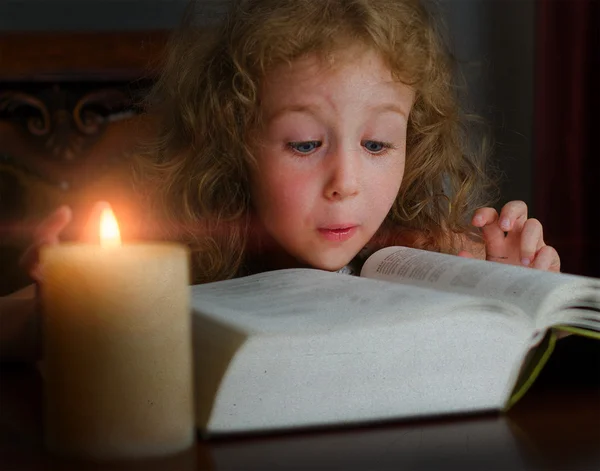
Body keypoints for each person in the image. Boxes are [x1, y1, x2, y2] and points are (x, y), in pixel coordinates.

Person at [0, 0, 560, 360]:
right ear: (234, 141)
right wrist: (54, 313)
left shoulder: (429, 253)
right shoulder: (156, 260)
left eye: (376, 144)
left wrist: (514, 285)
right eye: (305, 144)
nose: (346, 181)